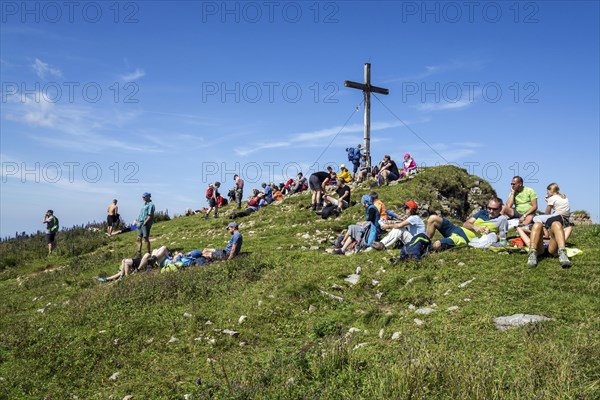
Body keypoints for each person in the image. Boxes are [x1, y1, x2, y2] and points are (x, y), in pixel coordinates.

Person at [426, 197, 508, 252]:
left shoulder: (502, 220)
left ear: (500, 208)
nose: (491, 211)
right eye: (489, 208)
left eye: (494, 209)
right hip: (457, 229)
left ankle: (425, 250)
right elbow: (466, 224)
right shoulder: (482, 212)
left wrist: (491, 234)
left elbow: (502, 238)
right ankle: (425, 242)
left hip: (463, 239)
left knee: (437, 245)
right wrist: (475, 227)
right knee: (433, 218)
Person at [526, 183, 572, 268]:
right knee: (537, 225)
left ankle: (562, 252)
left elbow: (547, 213)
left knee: (539, 220)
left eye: (547, 191)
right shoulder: (563, 197)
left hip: (551, 247)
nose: (547, 193)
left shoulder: (552, 198)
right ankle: (532, 252)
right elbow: (569, 228)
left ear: (551, 190)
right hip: (540, 247)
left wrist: (548, 201)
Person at [97, 246, 170, 282]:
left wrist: (106, 279)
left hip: (142, 263)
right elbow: (118, 273)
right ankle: (127, 276)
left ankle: (124, 276)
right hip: (142, 265)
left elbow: (120, 272)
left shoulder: (126, 267)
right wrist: (106, 279)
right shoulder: (127, 269)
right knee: (147, 254)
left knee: (125, 261)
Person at [136, 192, 155, 258]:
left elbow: (150, 215)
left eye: (144, 197)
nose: (143, 198)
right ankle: (138, 253)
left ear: (148, 197)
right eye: (143, 197)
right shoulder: (144, 204)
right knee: (138, 238)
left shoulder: (151, 204)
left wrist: (145, 222)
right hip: (140, 222)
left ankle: (148, 253)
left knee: (145, 238)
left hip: (145, 223)